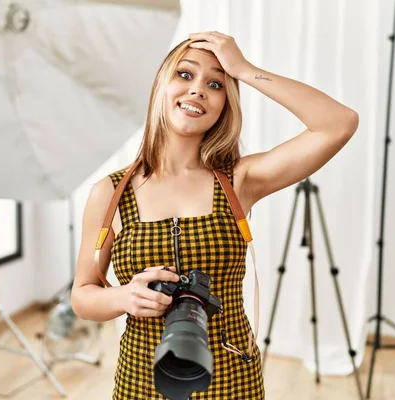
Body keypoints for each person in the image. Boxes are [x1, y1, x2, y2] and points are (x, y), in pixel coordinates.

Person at [71, 31, 359, 400]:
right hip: (142, 382)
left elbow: (339, 123)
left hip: (232, 378)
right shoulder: (111, 193)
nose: (197, 91)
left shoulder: (239, 181)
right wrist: (125, 297)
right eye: (185, 75)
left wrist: (245, 69)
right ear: (161, 85)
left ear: (226, 103)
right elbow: (83, 295)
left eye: (216, 83)